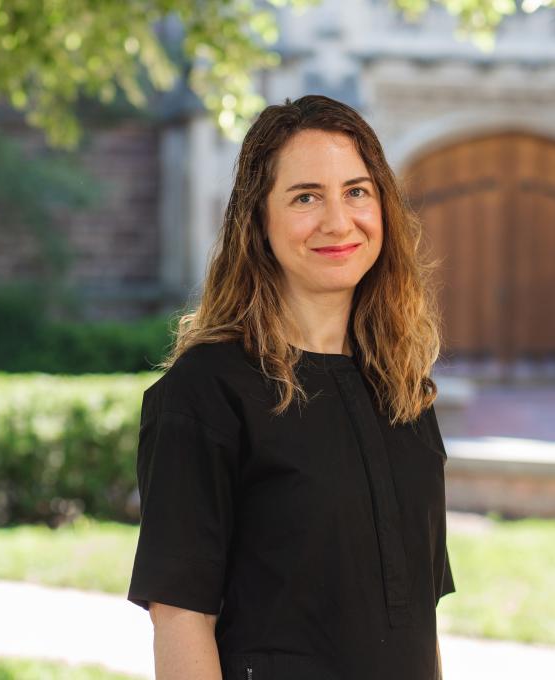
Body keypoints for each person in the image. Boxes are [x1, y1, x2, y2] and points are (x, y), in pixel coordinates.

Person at [127, 94, 456, 680]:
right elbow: (180, 615)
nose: (338, 221)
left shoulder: (405, 390)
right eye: (306, 197)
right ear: (259, 220)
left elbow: (420, 619)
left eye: (357, 191)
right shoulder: (204, 393)